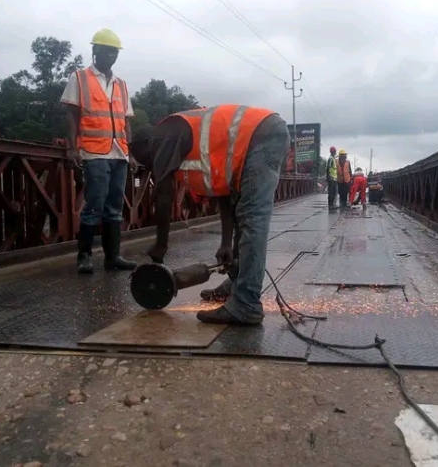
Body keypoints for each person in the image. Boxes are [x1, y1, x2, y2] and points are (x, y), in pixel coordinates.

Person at [129, 105, 290, 326]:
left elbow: (163, 194)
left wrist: (161, 245)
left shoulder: (164, 135)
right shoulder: (178, 140)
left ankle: (247, 305)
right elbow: (223, 192)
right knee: (246, 217)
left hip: (260, 135)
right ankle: (236, 286)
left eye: (147, 161)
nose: (151, 166)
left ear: (145, 147)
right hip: (262, 134)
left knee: (252, 219)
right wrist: (225, 244)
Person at [61, 28, 138, 274]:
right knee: (94, 204)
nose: (110, 56)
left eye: (114, 52)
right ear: (95, 51)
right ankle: (84, 257)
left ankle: (112, 257)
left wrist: (131, 152)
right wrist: (72, 147)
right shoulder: (80, 78)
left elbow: (126, 121)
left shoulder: (121, 85)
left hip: (119, 153)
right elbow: (72, 115)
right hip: (94, 152)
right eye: (106, 51)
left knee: (115, 207)